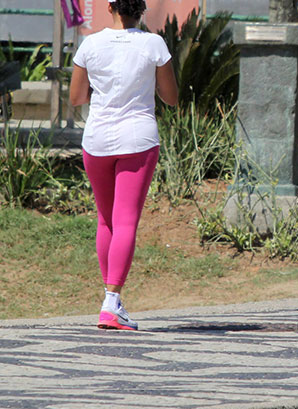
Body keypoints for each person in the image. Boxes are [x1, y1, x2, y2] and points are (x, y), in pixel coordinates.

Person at [69, 0, 178, 331]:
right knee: (126, 220)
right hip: (138, 140)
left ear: (110, 7)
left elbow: (76, 98)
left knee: (107, 220)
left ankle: (110, 300)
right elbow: (171, 97)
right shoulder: (153, 44)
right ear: (141, 10)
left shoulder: (90, 44)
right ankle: (112, 303)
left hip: (97, 140)